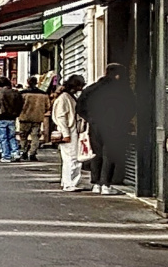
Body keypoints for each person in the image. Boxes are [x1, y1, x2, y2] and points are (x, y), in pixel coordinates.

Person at [78, 62, 136, 195]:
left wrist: (90, 118)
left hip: (95, 126)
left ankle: (96, 183)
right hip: (114, 126)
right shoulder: (122, 89)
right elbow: (131, 107)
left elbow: (80, 107)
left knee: (96, 154)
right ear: (118, 75)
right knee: (110, 154)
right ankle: (105, 184)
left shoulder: (92, 89)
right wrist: (123, 120)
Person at [53, 75, 87, 191]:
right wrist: (66, 133)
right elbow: (61, 116)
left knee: (69, 157)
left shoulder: (67, 96)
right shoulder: (65, 98)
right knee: (72, 157)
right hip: (70, 131)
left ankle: (67, 181)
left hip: (71, 130)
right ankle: (70, 182)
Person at [0, 74, 24, 161]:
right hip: (12, 117)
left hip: (1, 117)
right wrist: (17, 113)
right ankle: (15, 152)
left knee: (3, 137)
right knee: (12, 136)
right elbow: (21, 104)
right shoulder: (16, 93)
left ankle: (6, 155)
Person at [17, 81, 51, 164]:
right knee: (35, 136)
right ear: (36, 83)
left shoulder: (22, 94)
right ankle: (33, 153)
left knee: (23, 136)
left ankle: (24, 151)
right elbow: (48, 106)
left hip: (24, 117)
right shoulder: (43, 94)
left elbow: (18, 105)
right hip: (37, 118)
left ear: (28, 83)